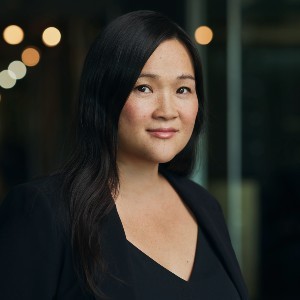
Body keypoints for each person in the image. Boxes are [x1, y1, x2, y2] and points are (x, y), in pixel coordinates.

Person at [0, 10, 248, 300]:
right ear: (106, 95)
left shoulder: (204, 206)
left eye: (183, 89)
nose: (167, 111)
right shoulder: (44, 211)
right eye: (143, 88)